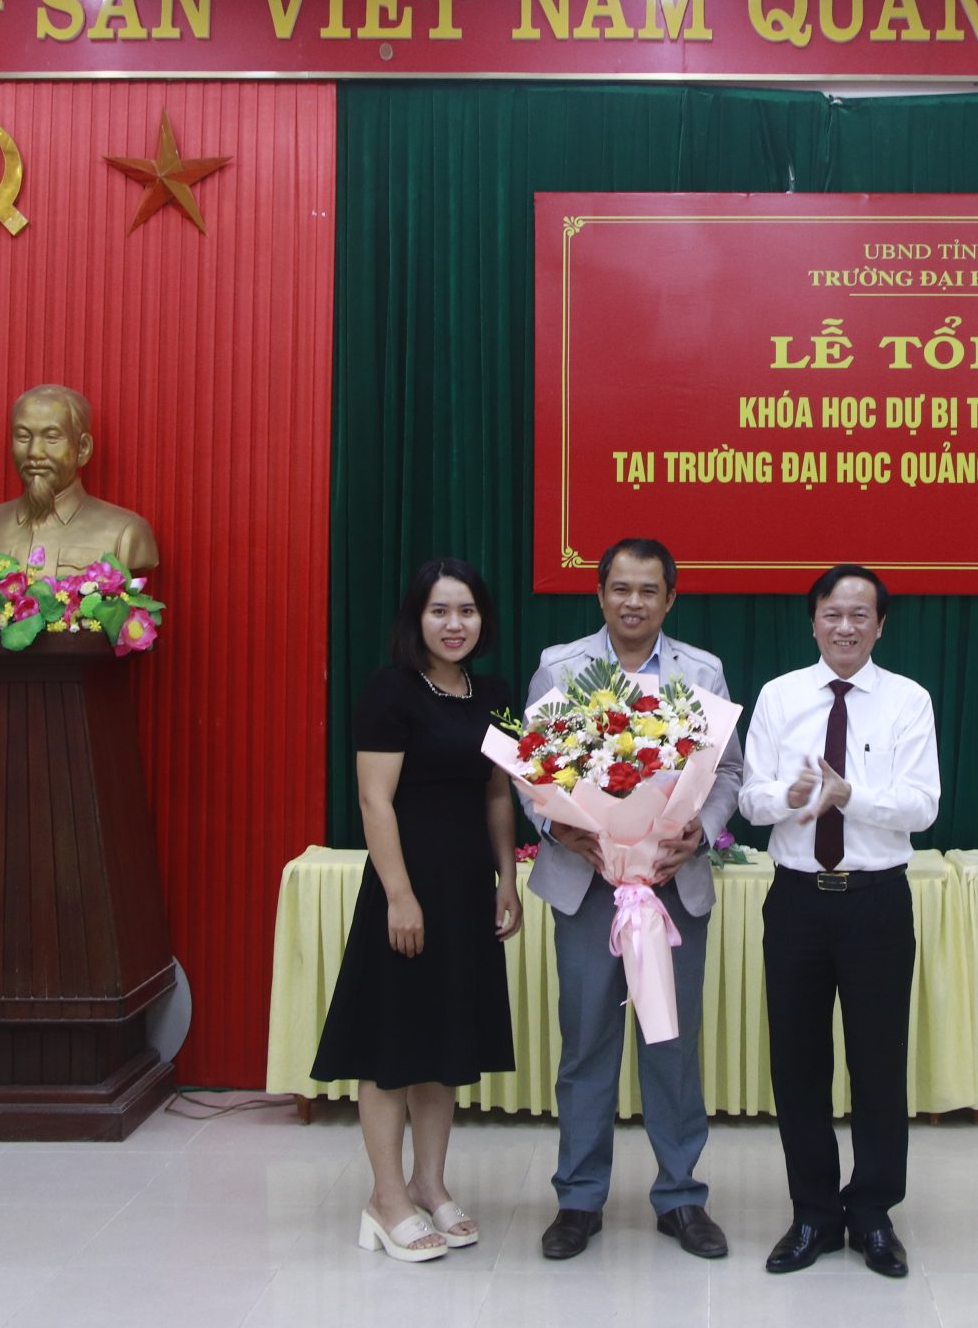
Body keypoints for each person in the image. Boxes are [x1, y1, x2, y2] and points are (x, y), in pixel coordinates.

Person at [525, 537, 744, 1261]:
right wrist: (557, 824)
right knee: (587, 1043)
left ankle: (681, 1197)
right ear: (600, 594)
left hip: (670, 888)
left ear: (670, 598)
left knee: (671, 1046)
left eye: (649, 590)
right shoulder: (561, 667)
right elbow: (531, 768)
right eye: (620, 588)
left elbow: (728, 773)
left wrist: (701, 830)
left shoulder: (702, 671)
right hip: (588, 885)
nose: (633, 602)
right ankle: (578, 1198)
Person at [310, 558, 523, 1262]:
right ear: (417, 618)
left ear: (483, 618)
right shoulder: (392, 690)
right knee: (394, 1043)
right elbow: (374, 801)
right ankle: (386, 1197)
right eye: (440, 611)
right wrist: (400, 895)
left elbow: (497, 792)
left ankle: (430, 1183)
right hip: (407, 885)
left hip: (466, 888)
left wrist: (506, 879)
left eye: (467, 610)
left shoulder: (494, 694)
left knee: (444, 1042)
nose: (454, 624)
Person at [739, 563, 940, 1280]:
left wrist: (850, 796)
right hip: (797, 898)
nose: (845, 627)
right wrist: (787, 795)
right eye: (833, 613)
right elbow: (750, 800)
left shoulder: (908, 701)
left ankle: (874, 1212)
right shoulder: (779, 695)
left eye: (860, 615)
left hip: (875, 900)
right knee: (797, 1062)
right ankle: (814, 1213)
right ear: (813, 621)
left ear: (880, 625)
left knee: (879, 1061)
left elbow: (923, 805)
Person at [0, 384, 158, 577]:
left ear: (83, 448)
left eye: (51, 437)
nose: (34, 452)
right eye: (23, 436)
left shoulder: (125, 533)